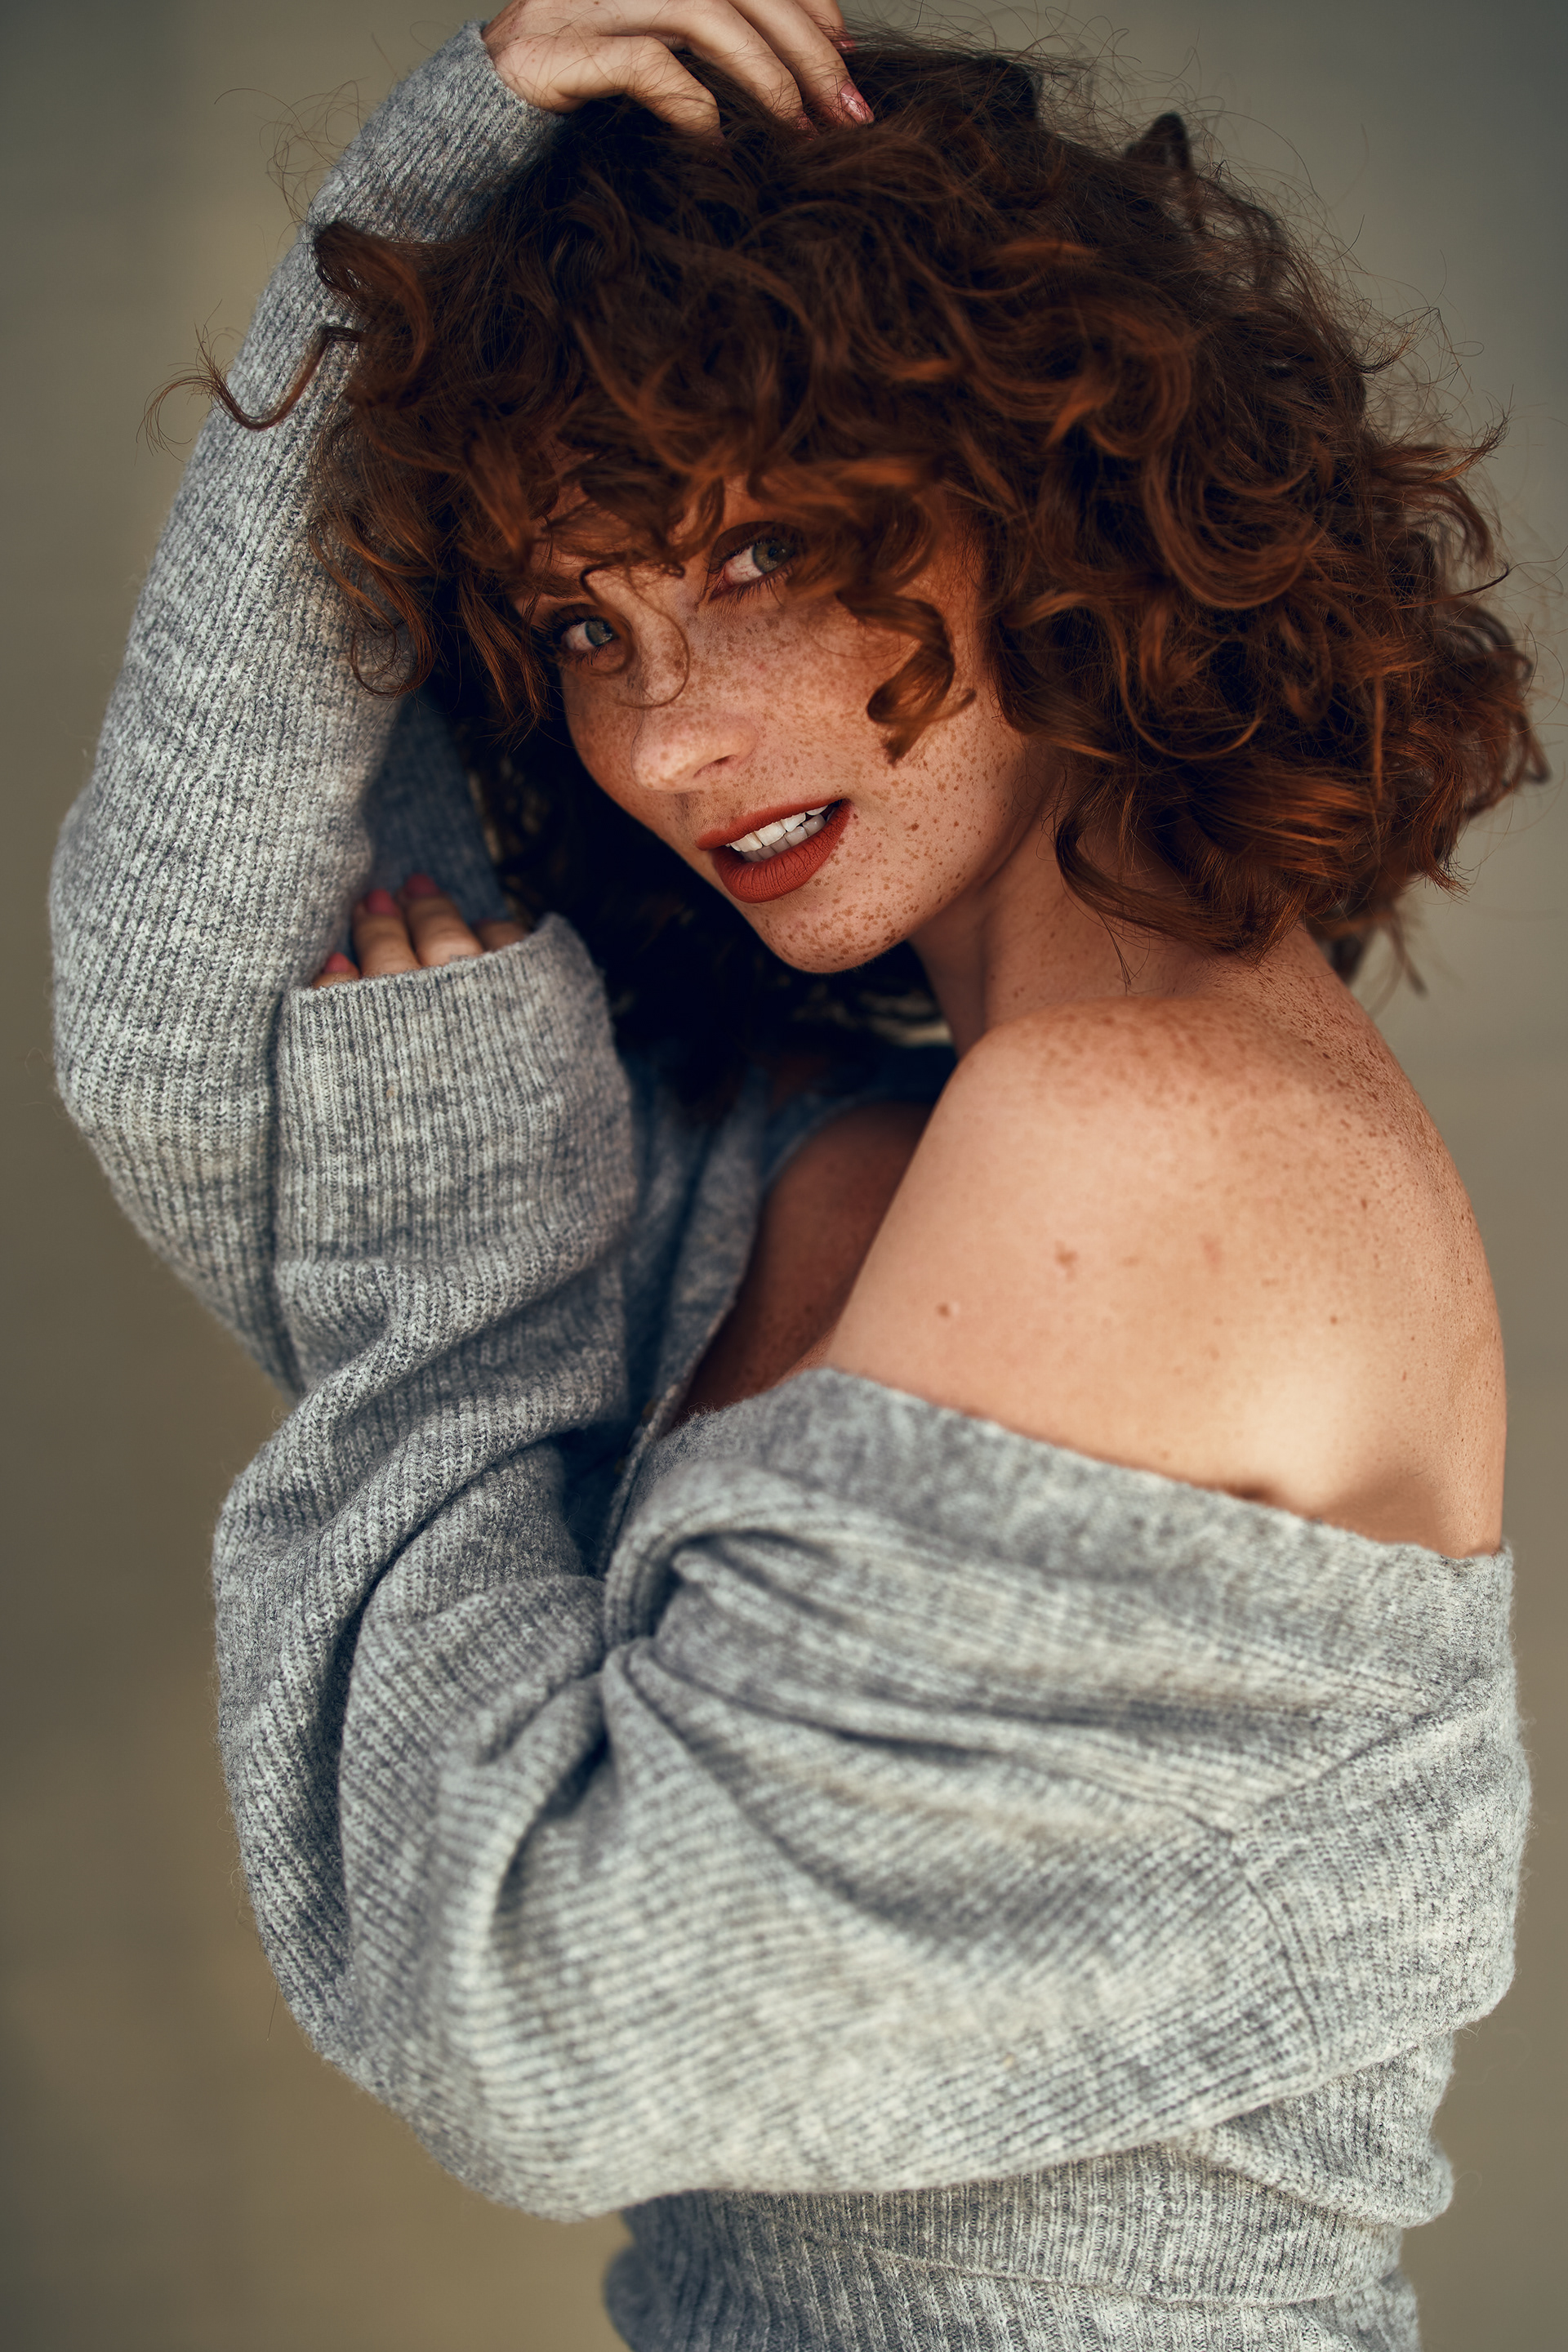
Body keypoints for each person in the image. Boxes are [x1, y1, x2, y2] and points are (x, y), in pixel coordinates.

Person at [50, 10, 1537, 2347]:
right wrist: (420, 191)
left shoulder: (1152, 1143)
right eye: (584, 625)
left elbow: (554, 2033)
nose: (669, 737)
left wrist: (463, 1288)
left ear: (1053, 493)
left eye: (758, 550)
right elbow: (184, 1045)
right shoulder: (871, 1144)